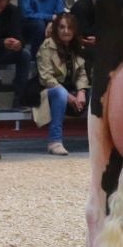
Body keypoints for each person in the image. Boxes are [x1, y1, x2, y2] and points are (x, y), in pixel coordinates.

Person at [35, 11, 88, 154]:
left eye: (69, 28)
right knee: (60, 93)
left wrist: (81, 92)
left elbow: (82, 73)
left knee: (98, 92)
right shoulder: (47, 45)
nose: (66, 31)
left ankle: (98, 140)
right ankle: (55, 141)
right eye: (62, 27)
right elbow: (46, 77)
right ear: (56, 29)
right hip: (49, 92)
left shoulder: (77, 46)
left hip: (72, 91)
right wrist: (69, 96)